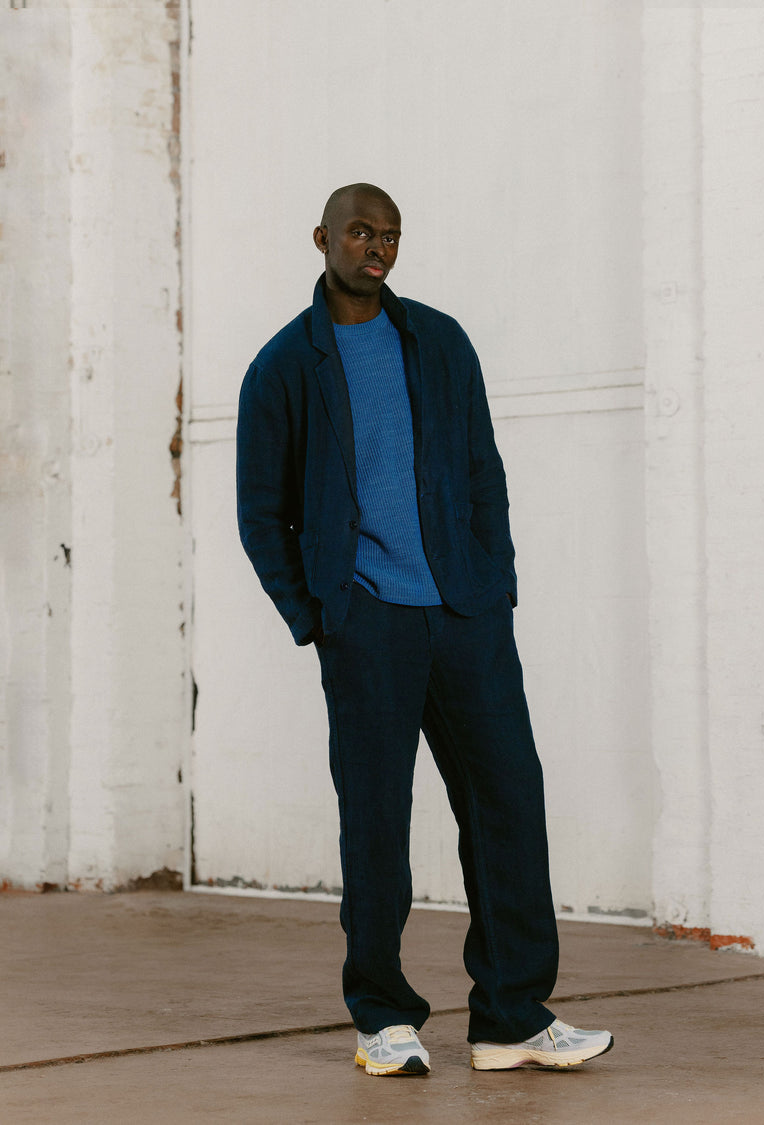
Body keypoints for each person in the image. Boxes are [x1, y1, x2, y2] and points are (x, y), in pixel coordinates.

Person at [236, 183, 614, 1076]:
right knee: (376, 820)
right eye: (362, 232)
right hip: (368, 622)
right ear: (323, 237)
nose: (379, 247)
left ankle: (511, 1016)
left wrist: (495, 580)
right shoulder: (284, 365)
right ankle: (383, 1015)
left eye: (392, 235)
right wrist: (318, 617)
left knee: (509, 803)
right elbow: (262, 515)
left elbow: (483, 468)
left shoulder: (441, 342)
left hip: (466, 612)